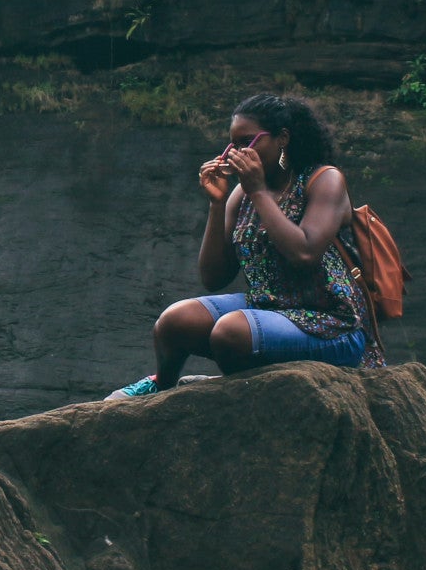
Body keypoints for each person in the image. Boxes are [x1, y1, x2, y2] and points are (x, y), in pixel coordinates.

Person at [107, 93, 371, 399]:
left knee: (229, 332)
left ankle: (233, 389)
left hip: (332, 325)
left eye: (247, 142)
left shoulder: (323, 180)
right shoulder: (241, 195)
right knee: (175, 321)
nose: (235, 152)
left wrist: (258, 191)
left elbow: (304, 253)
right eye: (233, 144)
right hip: (269, 308)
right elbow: (213, 277)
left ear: (281, 139)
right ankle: (162, 387)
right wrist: (217, 204)